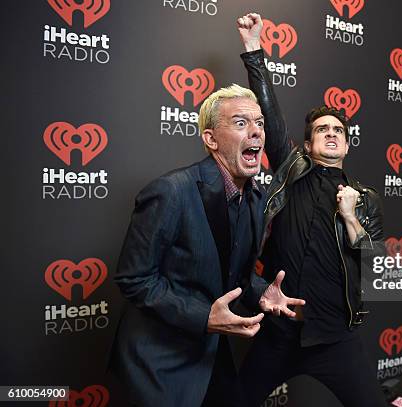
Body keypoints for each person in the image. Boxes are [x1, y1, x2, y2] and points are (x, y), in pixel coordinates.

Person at [109, 84, 305, 407]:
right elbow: (134, 279)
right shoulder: (171, 192)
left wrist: (261, 291)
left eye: (259, 123)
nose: (256, 132)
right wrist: (203, 317)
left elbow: (237, 274)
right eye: (241, 123)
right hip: (160, 361)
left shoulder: (256, 199)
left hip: (210, 353)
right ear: (211, 139)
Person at [236, 13, 387, 407]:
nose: (332, 134)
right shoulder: (290, 170)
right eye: (323, 129)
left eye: (338, 130)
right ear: (308, 144)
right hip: (280, 331)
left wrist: (351, 214)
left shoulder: (365, 197)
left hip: (336, 338)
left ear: (348, 145)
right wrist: (253, 48)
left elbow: (372, 254)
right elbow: (269, 112)